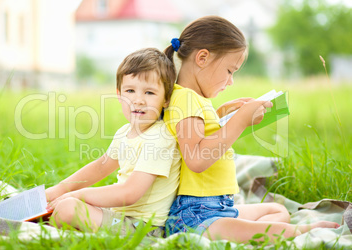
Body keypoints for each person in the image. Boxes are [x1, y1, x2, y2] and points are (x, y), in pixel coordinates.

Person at [163, 16, 339, 243]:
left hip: (218, 207)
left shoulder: (192, 99)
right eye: (229, 70)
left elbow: (195, 136)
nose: (231, 81)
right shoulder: (186, 99)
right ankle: (303, 232)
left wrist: (222, 115)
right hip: (197, 215)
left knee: (278, 211)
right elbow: (196, 159)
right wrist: (240, 121)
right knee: (267, 230)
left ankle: (239, 230)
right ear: (203, 58)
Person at [45, 48, 181, 237]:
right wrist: (60, 189)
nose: (138, 100)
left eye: (149, 92)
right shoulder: (124, 132)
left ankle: (52, 224)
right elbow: (101, 167)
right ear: (119, 94)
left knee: (69, 207)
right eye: (130, 91)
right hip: (120, 218)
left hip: (144, 229)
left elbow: (130, 193)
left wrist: (77, 195)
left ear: (166, 99)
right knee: (57, 205)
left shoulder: (160, 138)